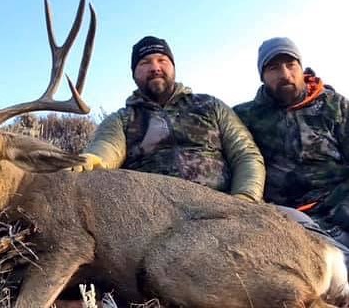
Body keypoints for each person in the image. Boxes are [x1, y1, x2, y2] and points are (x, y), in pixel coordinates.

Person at [73, 35, 265, 202]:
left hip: (222, 205)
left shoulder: (211, 106)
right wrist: (95, 159)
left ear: (173, 66)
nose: (155, 67)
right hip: (153, 214)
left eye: (162, 60)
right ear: (134, 74)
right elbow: (107, 146)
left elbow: (245, 154)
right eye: (145, 63)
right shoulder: (122, 119)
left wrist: (245, 198)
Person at [234, 37, 349, 246]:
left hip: (340, 199)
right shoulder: (245, 116)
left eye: (291, 65)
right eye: (274, 68)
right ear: (262, 76)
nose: (285, 75)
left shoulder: (334, 104)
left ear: (301, 67)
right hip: (289, 216)